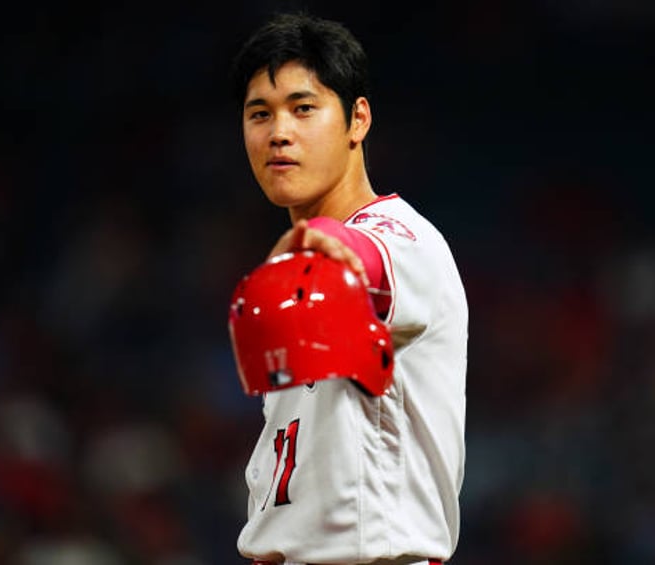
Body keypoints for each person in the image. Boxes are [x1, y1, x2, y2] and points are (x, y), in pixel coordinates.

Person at [228, 12, 468, 565]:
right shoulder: (297, 278)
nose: (278, 132)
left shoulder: (405, 240)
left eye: (303, 108)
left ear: (357, 119)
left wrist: (330, 242)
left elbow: (370, 263)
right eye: (259, 113)